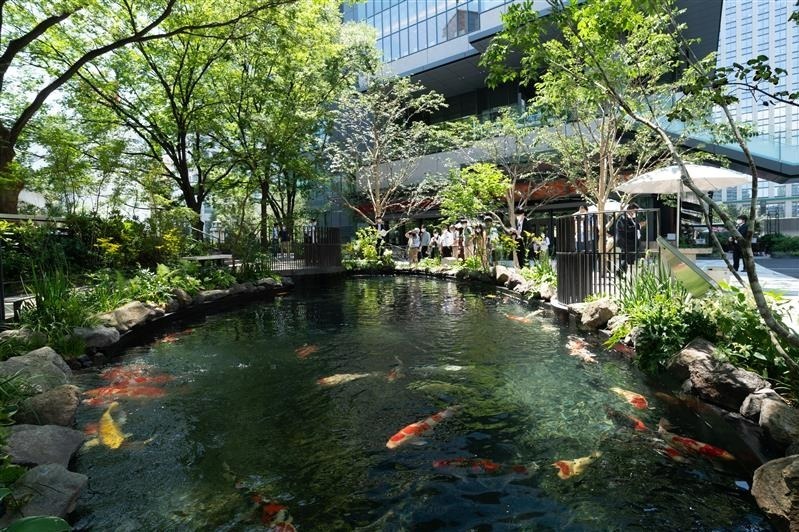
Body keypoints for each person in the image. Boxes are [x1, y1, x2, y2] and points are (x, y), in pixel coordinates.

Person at [615, 203, 641, 276]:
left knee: (627, 257)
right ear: (630, 210)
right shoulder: (623, 218)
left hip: (630, 241)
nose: (635, 213)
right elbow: (627, 229)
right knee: (628, 256)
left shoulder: (631, 219)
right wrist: (638, 226)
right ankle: (619, 272)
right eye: (634, 211)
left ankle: (620, 272)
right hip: (624, 241)